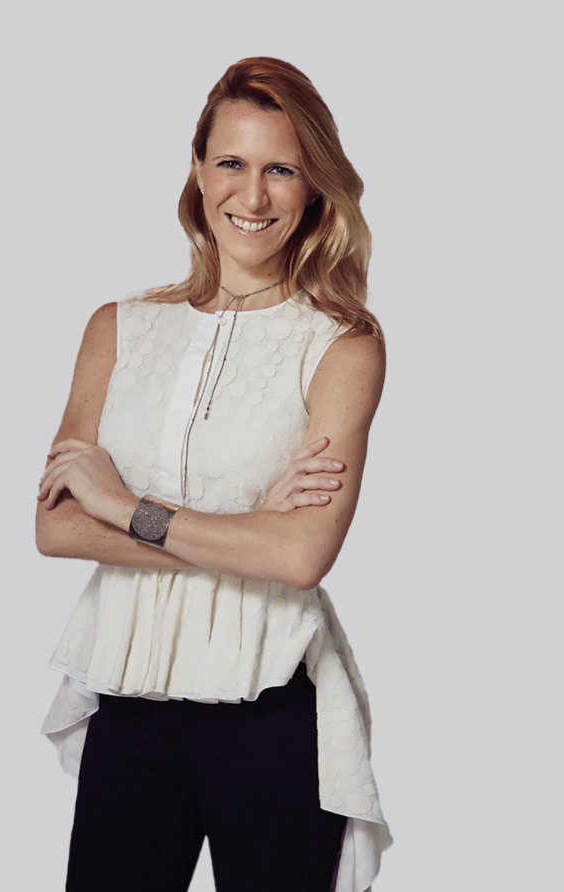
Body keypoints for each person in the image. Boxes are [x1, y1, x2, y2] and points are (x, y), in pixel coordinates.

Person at [36, 56, 393, 892]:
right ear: (197, 170)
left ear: (315, 187)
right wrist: (246, 532)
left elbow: (300, 557)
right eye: (232, 162)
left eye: (282, 170)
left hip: (270, 710)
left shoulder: (342, 345)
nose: (253, 196)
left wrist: (123, 506)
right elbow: (54, 525)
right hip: (129, 703)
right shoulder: (117, 328)